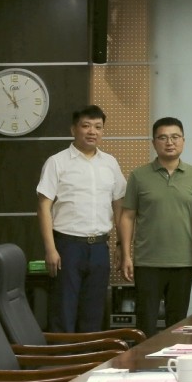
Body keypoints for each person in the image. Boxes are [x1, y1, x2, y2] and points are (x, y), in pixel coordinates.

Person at [37, 105, 126, 332]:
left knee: (94, 311)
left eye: (98, 127)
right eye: (86, 126)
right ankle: (63, 355)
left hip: (99, 247)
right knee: (63, 311)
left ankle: (90, 354)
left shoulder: (110, 163)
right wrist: (50, 249)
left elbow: (118, 206)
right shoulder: (57, 162)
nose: (92, 131)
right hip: (67, 246)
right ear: (73, 129)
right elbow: (44, 206)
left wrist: (120, 245)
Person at [119, 117, 192, 335]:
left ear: (183, 141)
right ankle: (143, 358)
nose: (170, 142)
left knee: (177, 324)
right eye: (163, 138)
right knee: (145, 324)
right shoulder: (139, 176)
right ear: (154, 142)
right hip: (147, 262)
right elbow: (127, 216)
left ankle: (174, 358)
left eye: (175, 137)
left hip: (182, 262)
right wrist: (126, 255)